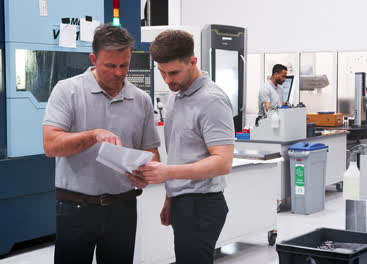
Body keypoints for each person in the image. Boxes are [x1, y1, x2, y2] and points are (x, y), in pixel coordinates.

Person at [42, 23, 160, 264]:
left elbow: (151, 152)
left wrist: (145, 173)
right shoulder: (67, 91)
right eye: (110, 66)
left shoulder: (141, 100)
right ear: (93, 59)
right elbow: (51, 145)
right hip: (75, 207)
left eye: (124, 65)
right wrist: (92, 135)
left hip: (123, 208)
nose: (118, 73)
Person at [138, 29, 235, 264]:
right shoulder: (176, 96)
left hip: (202, 206)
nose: (168, 80)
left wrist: (168, 173)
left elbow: (223, 162)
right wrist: (171, 197)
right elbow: (182, 154)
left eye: (174, 72)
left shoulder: (211, 100)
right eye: (162, 73)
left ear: (193, 61)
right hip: (185, 202)